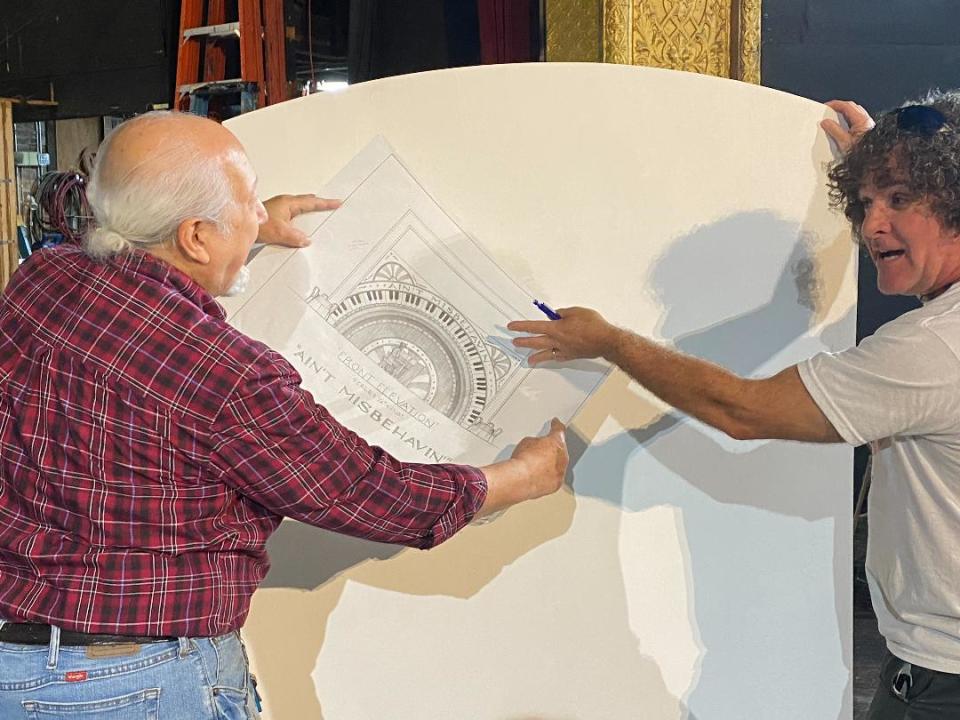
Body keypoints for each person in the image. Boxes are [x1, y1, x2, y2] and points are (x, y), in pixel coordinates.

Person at [0, 111, 568, 718]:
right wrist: (519, 478)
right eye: (245, 204)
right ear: (194, 236)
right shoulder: (225, 374)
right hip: (138, 683)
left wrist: (244, 227)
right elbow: (369, 491)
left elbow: (102, 225)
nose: (257, 214)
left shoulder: (45, 278)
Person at [509, 90, 960, 719]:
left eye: (900, 200)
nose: (870, 224)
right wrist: (883, 167)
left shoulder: (930, 350)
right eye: (863, 204)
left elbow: (743, 411)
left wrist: (608, 341)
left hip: (941, 682)